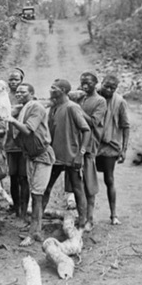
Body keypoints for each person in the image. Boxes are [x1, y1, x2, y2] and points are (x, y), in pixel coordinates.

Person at [7, 83, 54, 245]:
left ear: (32, 93)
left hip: (42, 156)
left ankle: (33, 232)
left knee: (37, 195)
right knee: (35, 193)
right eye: (18, 91)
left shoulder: (36, 107)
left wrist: (11, 119)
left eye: (23, 91)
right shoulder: (24, 108)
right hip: (31, 156)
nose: (19, 94)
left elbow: (28, 129)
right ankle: (36, 230)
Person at [42, 79, 91, 228]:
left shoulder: (72, 107)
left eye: (53, 88)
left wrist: (80, 154)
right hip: (55, 156)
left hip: (71, 156)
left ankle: (82, 221)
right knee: (46, 187)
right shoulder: (54, 108)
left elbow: (86, 130)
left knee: (77, 188)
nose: (51, 90)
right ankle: (38, 220)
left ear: (63, 90)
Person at [76, 72, 107, 232]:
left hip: (89, 145)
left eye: (88, 82)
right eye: (82, 82)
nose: (84, 85)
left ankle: (90, 219)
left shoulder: (100, 101)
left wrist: (79, 111)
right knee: (77, 184)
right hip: (77, 144)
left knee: (89, 184)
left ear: (96, 83)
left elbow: (94, 122)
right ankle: (81, 217)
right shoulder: (81, 98)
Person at [96, 75, 129, 224]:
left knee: (109, 179)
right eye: (106, 86)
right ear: (101, 84)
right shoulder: (92, 96)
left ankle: (113, 214)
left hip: (110, 145)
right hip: (92, 144)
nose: (109, 90)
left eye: (112, 88)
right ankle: (85, 214)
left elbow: (125, 126)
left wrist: (124, 149)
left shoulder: (120, 101)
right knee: (84, 179)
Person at [4, 68, 28, 219]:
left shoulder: (26, 97)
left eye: (16, 79)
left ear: (21, 80)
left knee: (24, 177)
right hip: (9, 143)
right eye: (11, 79)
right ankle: (16, 206)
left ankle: (25, 209)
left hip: (24, 144)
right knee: (13, 177)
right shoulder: (4, 97)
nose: (13, 82)